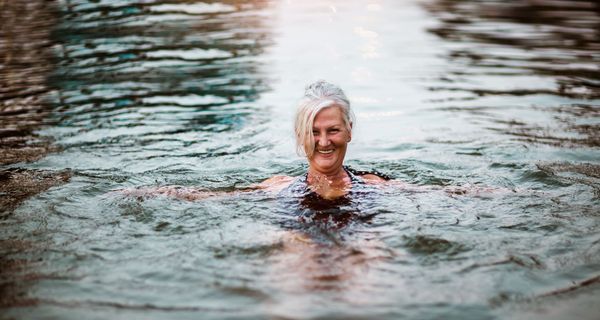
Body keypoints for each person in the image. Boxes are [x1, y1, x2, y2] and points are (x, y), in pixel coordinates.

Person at [122, 80, 391, 201]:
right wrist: (150, 192)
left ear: (349, 131)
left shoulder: (374, 185)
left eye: (332, 130)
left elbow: (432, 196)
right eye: (313, 131)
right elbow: (211, 197)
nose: (323, 142)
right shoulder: (280, 187)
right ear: (300, 135)